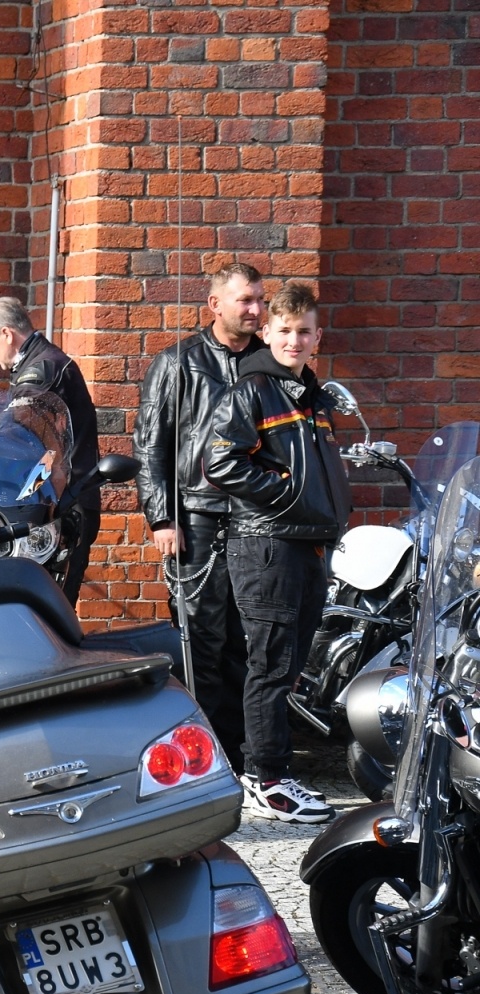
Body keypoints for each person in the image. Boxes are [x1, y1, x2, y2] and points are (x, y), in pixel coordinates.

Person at [204, 282, 345, 822]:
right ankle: (267, 779)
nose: (294, 339)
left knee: (286, 668)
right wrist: (287, 495)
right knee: (269, 665)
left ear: (317, 337)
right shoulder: (252, 389)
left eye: (304, 331)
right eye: (284, 330)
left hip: (306, 544)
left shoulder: (312, 395)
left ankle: (272, 772)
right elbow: (220, 462)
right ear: (266, 332)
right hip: (266, 544)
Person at [133, 263, 268, 767]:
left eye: (260, 300)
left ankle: (239, 752)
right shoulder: (179, 363)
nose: (255, 310)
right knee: (199, 637)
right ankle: (199, 752)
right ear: (216, 305)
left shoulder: (270, 361)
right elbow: (151, 446)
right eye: (245, 300)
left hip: (257, 518)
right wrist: (162, 518)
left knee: (248, 635)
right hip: (197, 518)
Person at [0, 296, 101, 604]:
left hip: (67, 502)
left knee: (53, 605)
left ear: (7, 334)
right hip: (57, 499)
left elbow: (18, 425)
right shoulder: (39, 362)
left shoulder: (42, 370)